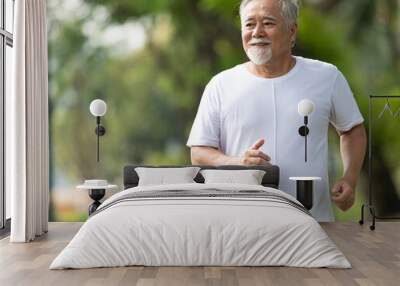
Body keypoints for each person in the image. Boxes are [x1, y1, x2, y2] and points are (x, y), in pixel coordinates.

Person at [186, 0, 367, 221]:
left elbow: (352, 130)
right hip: (240, 224)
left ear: (292, 31)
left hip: (311, 223)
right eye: (249, 24)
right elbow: (199, 153)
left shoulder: (327, 77)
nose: (257, 32)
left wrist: (350, 178)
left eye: (268, 23)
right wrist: (236, 162)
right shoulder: (221, 85)